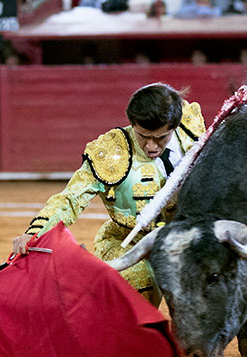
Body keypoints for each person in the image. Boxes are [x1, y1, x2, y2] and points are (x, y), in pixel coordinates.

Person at [12, 83, 206, 307]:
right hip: (128, 240)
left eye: (161, 137)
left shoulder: (192, 132)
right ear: (132, 122)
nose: (151, 146)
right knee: (138, 286)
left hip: (184, 237)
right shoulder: (112, 153)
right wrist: (35, 232)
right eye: (143, 136)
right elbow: (71, 198)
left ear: (174, 126)